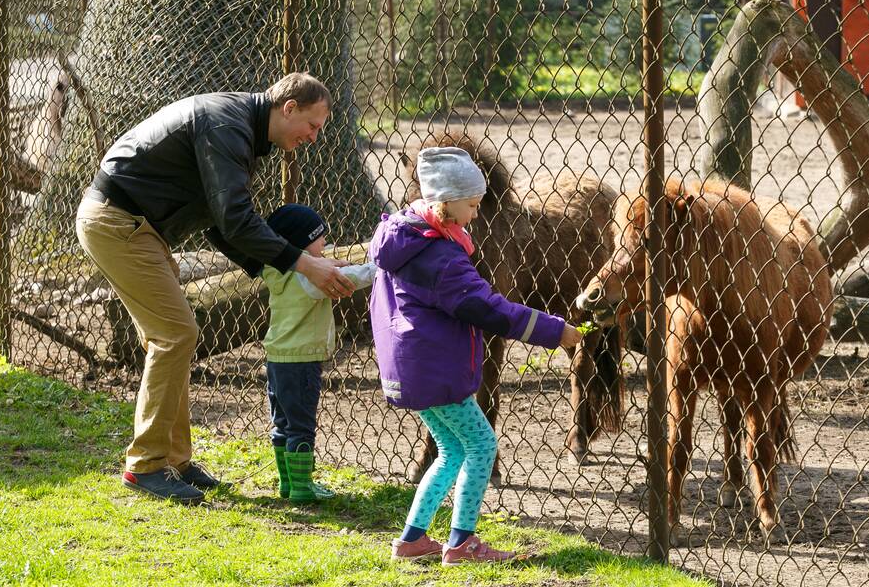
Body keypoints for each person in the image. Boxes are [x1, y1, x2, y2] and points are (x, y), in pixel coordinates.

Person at [75, 72, 357, 506]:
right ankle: (145, 466)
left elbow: (218, 224)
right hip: (120, 224)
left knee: (171, 338)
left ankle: (175, 460)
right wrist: (305, 264)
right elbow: (234, 219)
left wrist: (278, 271)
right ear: (289, 109)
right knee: (176, 335)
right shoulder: (230, 126)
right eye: (313, 126)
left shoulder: (239, 127)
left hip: (137, 228)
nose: (314, 137)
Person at [368, 146, 584, 565]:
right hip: (440, 371)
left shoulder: (403, 241)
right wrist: (556, 331)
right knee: (482, 445)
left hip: (413, 370)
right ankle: (462, 543)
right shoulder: (443, 258)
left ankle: (413, 540)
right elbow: (489, 307)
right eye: (471, 205)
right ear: (445, 202)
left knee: (451, 451)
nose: (477, 214)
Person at [256, 204, 374, 504]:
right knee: (302, 427)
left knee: (283, 424)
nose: (326, 243)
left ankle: (288, 483)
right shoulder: (308, 279)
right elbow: (349, 280)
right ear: (300, 243)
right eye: (320, 238)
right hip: (301, 361)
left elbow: (318, 263)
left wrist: (324, 259)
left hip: (277, 359)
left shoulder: (278, 270)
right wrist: (378, 268)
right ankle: (303, 486)